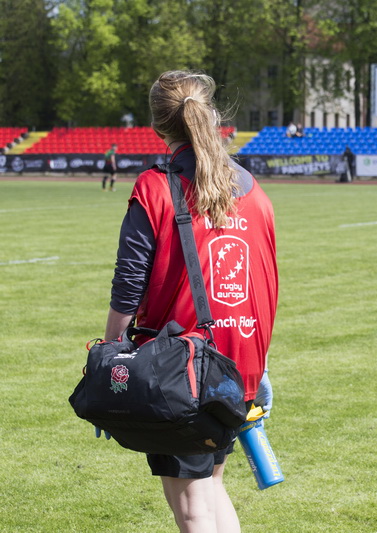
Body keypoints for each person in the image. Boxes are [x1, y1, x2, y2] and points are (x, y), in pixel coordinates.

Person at [102, 70, 279, 532]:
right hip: (238, 361)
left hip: (180, 367)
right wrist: (259, 364)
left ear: (158, 124)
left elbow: (129, 284)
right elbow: (264, 282)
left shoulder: (155, 186)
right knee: (212, 487)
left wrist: (109, 355)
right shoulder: (252, 189)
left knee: (193, 506)